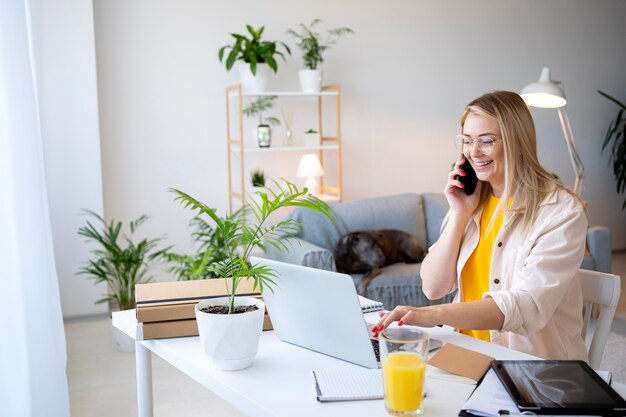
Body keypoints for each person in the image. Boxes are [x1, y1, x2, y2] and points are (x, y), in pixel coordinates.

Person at [375, 91, 588, 360]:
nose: (473, 153)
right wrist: (460, 215)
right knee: (392, 377)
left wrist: (431, 315)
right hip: (465, 351)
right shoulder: (472, 201)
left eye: (486, 141)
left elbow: (526, 306)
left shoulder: (560, 210)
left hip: (529, 365)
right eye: (467, 141)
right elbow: (433, 287)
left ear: (517, 142)